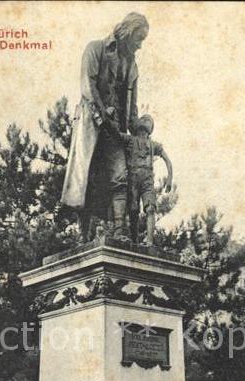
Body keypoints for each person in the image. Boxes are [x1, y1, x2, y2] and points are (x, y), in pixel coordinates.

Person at [61, 13, 149, 240]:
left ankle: (120, 231)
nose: (140, 46)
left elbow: (132, 106)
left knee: (120, 176)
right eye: (138, 39)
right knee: (88, 178)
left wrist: (138, 129)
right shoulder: (95, 49)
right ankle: (84, 235)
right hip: (93, 124)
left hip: (116, 131)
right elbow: (87, 87)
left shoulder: (132, 67)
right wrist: (103, 114)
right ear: (127, 33)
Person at [106, 113, 173, 245]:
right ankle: (135, 240)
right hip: (132, 178)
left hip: (147, 180)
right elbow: (116, 134)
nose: (145, 122)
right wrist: (108, 118)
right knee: (133, 210)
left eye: (148, 121)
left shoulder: (154, 145)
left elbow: (167, 160)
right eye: (143, 119)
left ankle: (149, 242)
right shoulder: (130, 139)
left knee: (150, 208)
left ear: (151, 128)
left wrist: (170, 178)